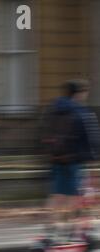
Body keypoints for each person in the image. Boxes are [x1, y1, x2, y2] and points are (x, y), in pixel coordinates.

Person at [41, 79, 100, 241]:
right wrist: (94, 161)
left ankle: (50, 230)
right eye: (85, 92)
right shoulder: (83, 112)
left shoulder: (53, 109)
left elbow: (45, 133)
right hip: (75, 161)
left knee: (57, 195)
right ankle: (70, 231)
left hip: (56, 159)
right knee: (74, 197)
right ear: (79, 93)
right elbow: (92, 139)